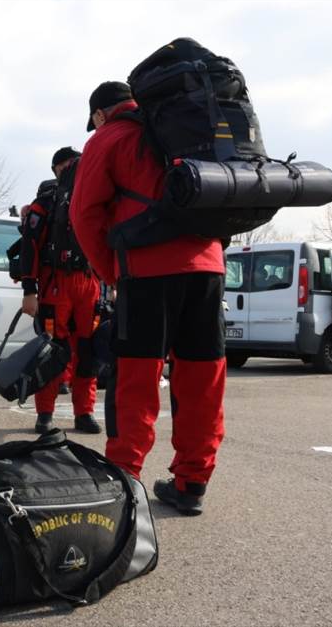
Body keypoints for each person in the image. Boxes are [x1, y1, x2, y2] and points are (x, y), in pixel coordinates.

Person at [70, 81, 227, 516]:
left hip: (147, 271)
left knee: (136, 378)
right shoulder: (188, 129)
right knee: (202, 378)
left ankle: (124, 482)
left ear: (101, 113)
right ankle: (192, 482)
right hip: (207, 267)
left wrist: (111, 273)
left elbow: (84, 215)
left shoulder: (109, 138)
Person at [19, 146, 102, 435]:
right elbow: (29, 247)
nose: (75, 167)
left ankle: (84, 412)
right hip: (56, 284)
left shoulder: (95, 196)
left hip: (89, 283)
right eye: (68, 164)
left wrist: (111, 284)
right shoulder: (45, 203)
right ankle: (45, 413)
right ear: (56, 168)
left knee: (88, 351)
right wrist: (29, 290)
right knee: (53, 351)